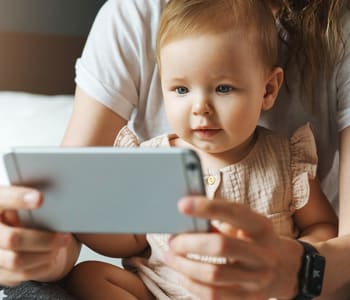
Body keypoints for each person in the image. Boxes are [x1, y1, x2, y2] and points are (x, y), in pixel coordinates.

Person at [0, 0, 348, 299]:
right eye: (181, 90)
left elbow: (320, 223)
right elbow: (132, 237)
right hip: (161, 288)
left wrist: (299, 259)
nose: (200, 107)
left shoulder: (284, 159)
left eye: (223, 89)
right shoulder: (153, 158)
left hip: (258, 289)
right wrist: (62, 220)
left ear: (268, 89)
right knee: (90, 276)